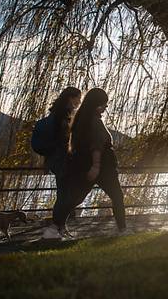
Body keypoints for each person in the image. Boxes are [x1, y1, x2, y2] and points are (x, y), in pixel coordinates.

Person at [44, 88, 126, 238]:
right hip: (103, 167)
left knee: (75, 198)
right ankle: (123, 230)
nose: (105, 109)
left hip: (88, 167)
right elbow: (97, 146)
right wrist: (96, 166)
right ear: (95, 104)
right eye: (103, 105)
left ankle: (55, 227)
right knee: (117, 196)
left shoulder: (81, 119)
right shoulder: (94, 122)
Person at [43, 87, 81, 237]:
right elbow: (63, 140)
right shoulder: (62, 116)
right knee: (65, 195)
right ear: (70, 98)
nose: (79, 102)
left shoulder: (57, 114)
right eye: (77, 98)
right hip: (62, 161)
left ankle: (58, 227)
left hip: (57, 160)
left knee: (64, 195)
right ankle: (58, 227)